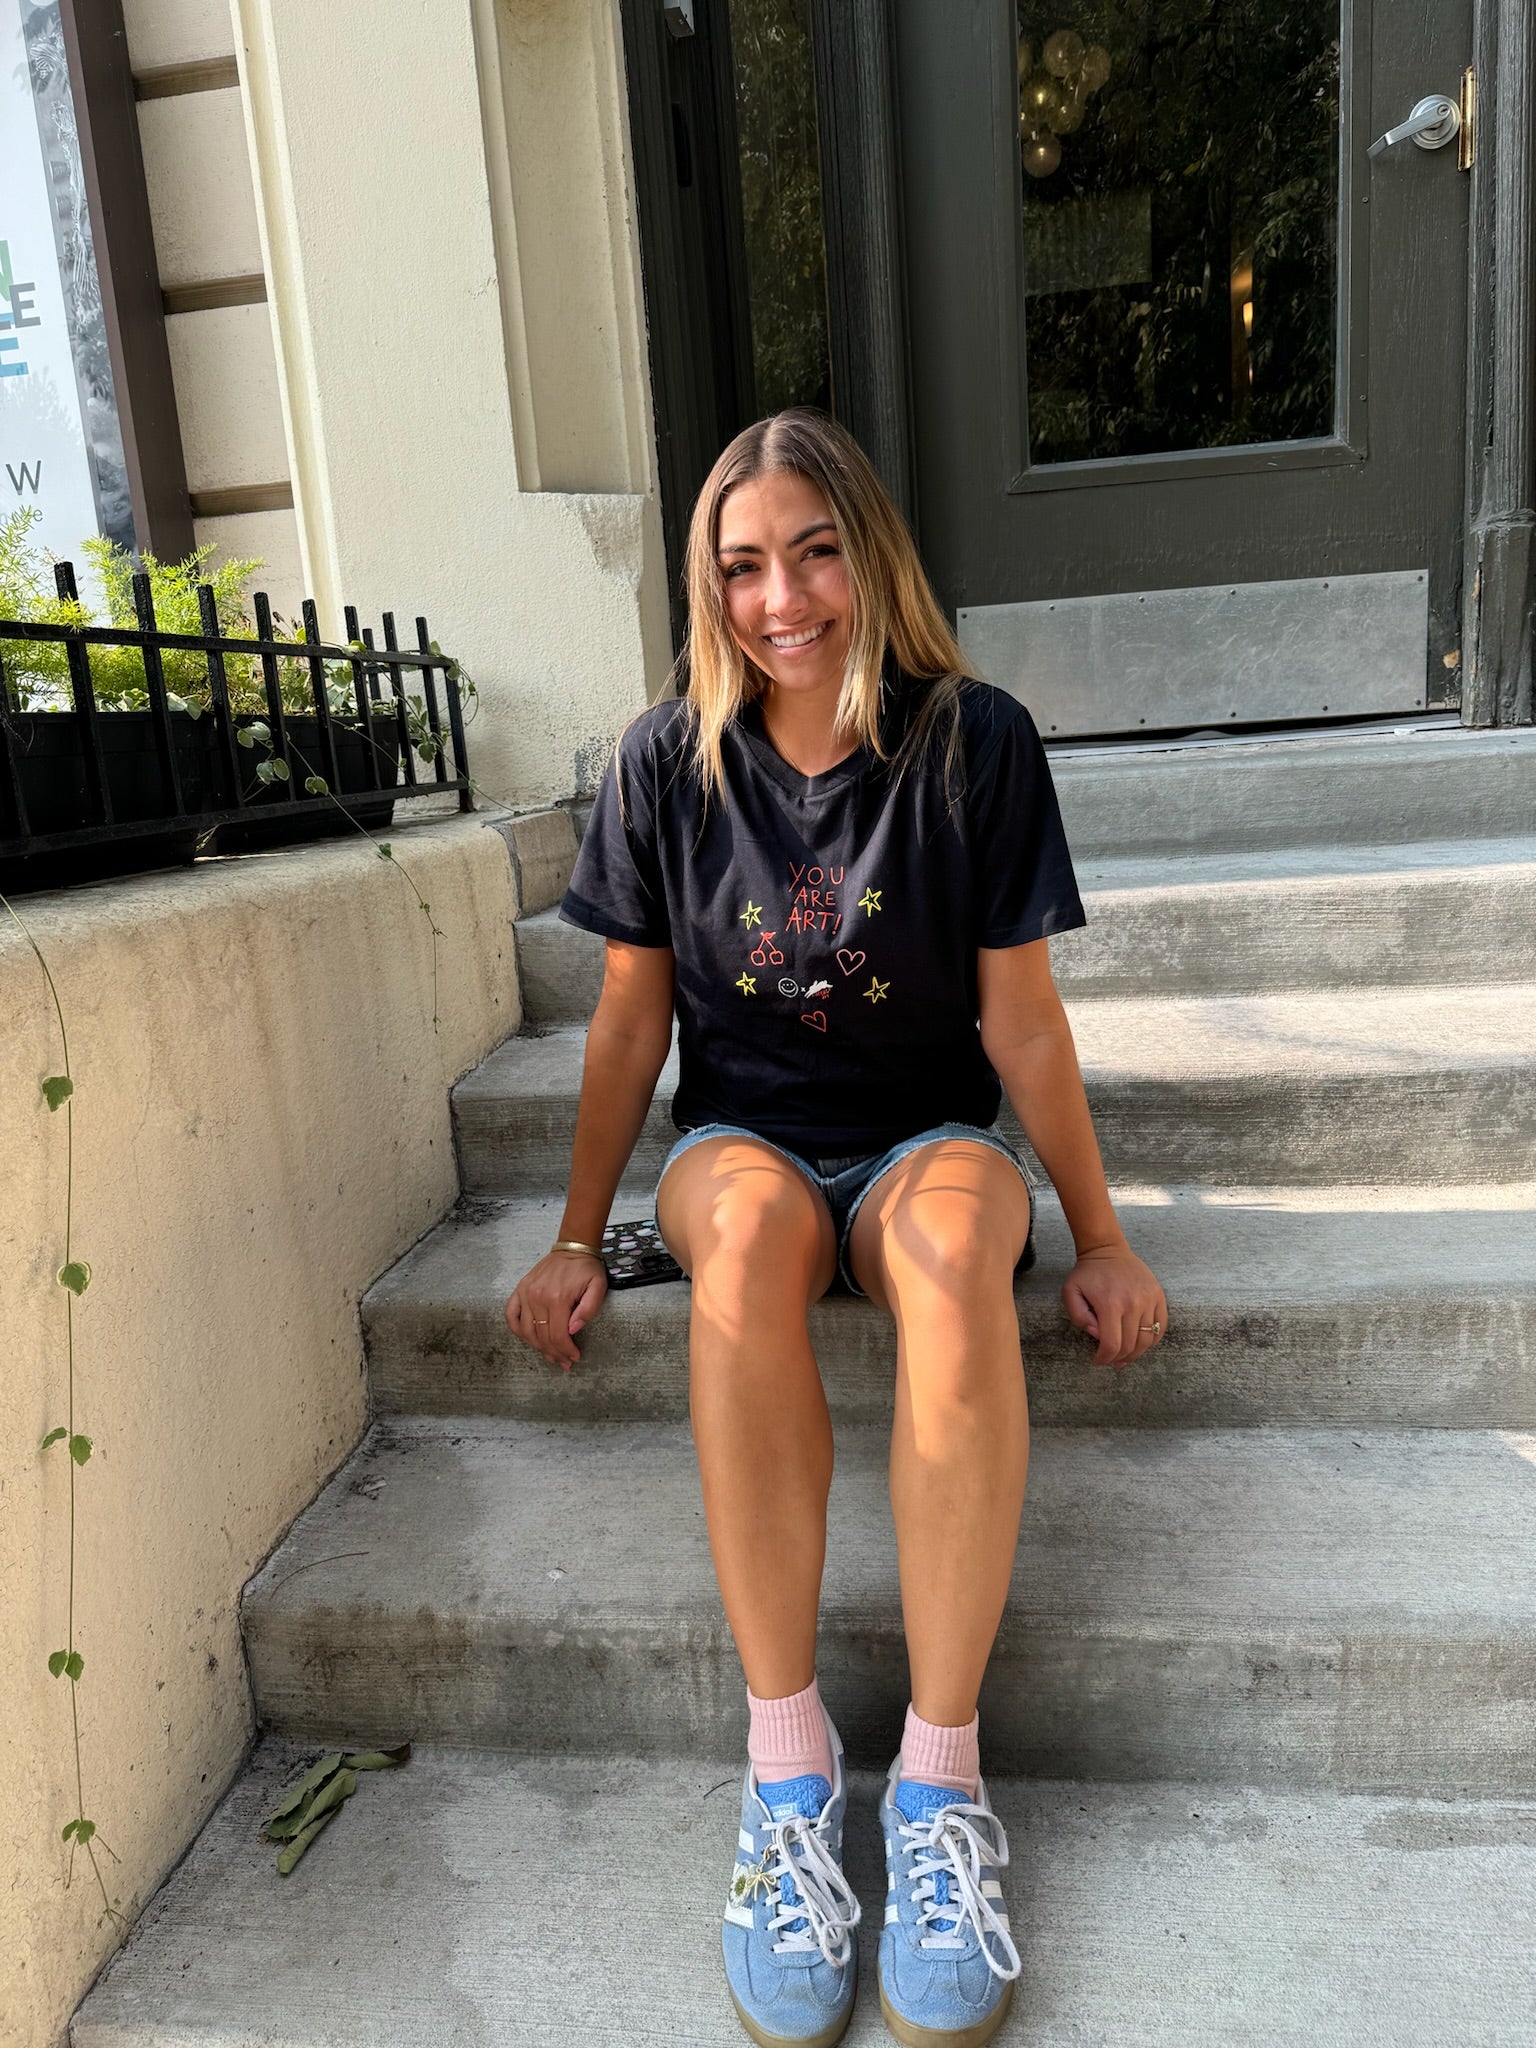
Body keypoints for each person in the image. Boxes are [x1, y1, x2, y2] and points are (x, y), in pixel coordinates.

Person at [505, 409, 1167, 2048]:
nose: (782, 598)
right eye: (743, 566)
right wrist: (578, 1236)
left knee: (950, 1251)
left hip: (927, 1142)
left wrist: (1100, 1234)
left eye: (813, 554)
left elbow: (1022, 1024)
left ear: (869, 555)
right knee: (737, 1247)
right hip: (743, 1147)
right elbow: (627, 1026)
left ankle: (938, 1786)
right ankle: (789, 1775)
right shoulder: (665, 761)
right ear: (708, 587)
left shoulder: (974, 743)